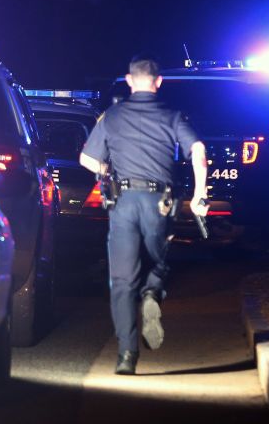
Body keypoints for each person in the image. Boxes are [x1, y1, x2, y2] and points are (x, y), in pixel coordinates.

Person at [79, 55, 209, 375]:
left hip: (123, 203)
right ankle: (152, 291)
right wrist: (199, 195)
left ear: (128, 80)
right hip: (159, 202)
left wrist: (106, 169)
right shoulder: (172, 115)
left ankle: (126, 355)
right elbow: (200, 151)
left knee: (122, 281)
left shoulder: (111, 116)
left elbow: (86, 159)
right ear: (158, 82)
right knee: (161, 257)